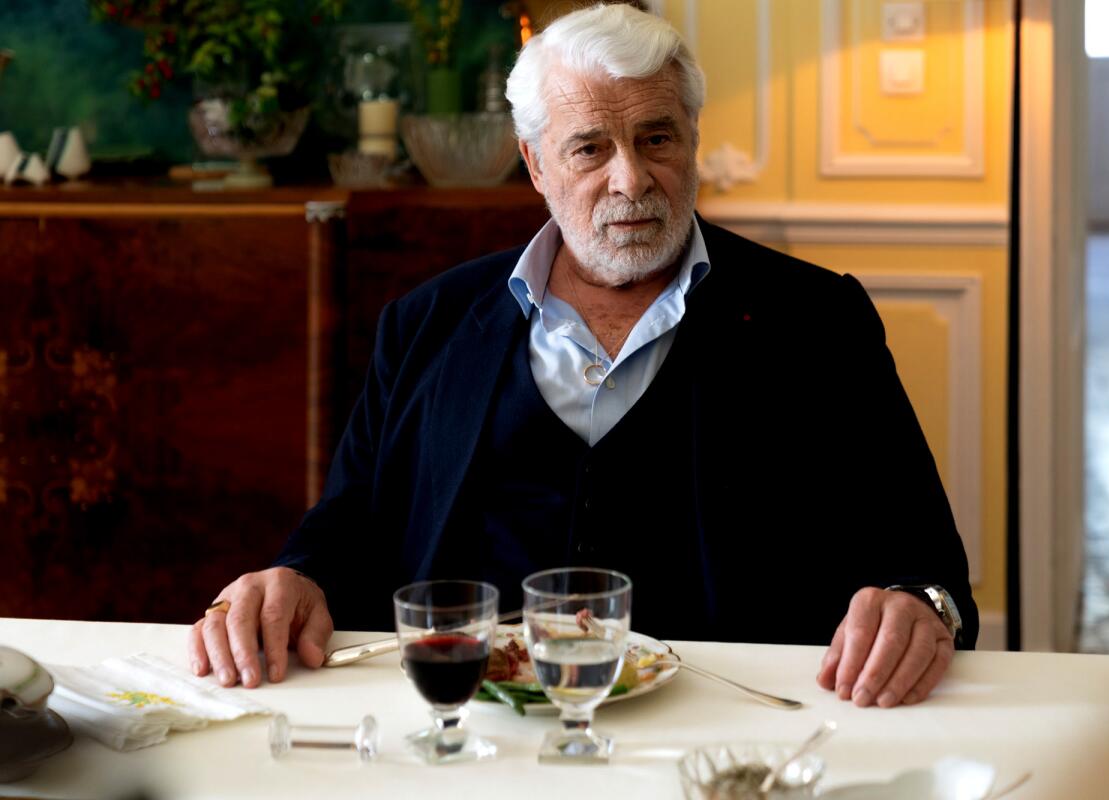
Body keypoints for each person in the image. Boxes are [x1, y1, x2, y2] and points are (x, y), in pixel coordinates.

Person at [189, 3, 978, 710]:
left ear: (694, 140)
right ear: (535, 165)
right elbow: (349, 530)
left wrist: (922, 606)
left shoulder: (817, 320)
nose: (629, 179)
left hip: (734, 733)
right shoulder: (426, 324)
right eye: (590, 148)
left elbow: (931, 569)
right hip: (466, 729)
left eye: (656, 138)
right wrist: (292, 577)